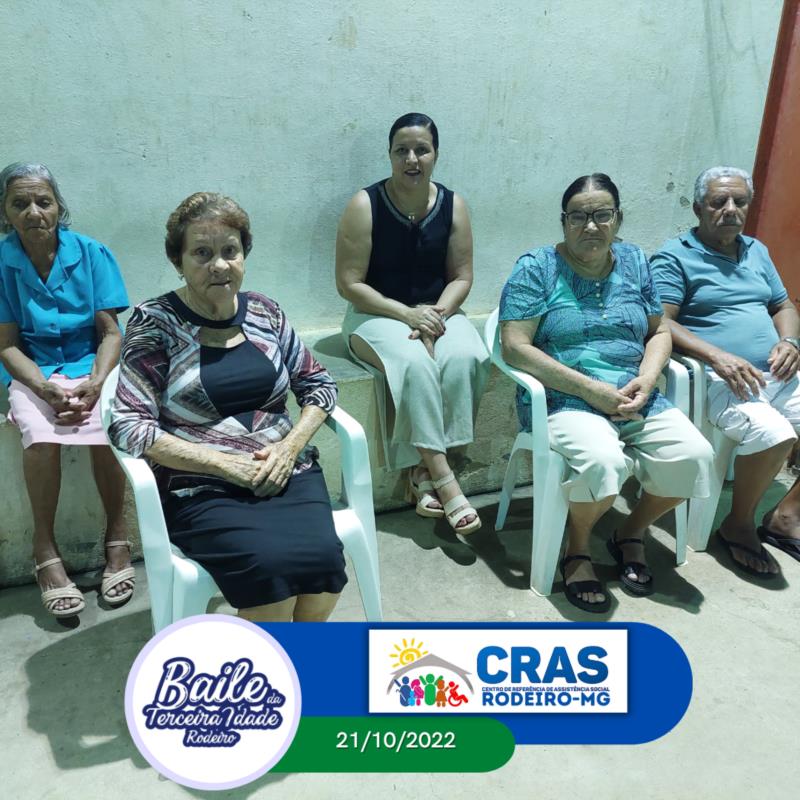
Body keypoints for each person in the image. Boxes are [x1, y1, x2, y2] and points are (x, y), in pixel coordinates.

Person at [108, 192, 347, 622]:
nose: (219, 265)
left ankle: (295, 658)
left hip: (285, 473)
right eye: (202, 253)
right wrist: (223, 464)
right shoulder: (155, 322)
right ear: (178, 261)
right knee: (270, 574)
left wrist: (289, 448)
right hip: (200, 487)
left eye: (229, 251)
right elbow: (128, 425)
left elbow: (319, 384)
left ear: (243, 255)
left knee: (325, 568)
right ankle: (259, 664)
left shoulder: (265, 312)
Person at [500, 173, 712, 612]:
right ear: (564, 221)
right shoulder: (536, 268)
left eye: (602, 215)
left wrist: (648, 378)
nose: (591, 226)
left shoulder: (634, 262)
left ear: (618, 219)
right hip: (564, 398)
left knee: (695, 456)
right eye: (578, 216)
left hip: (635, 395)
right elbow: (514, 347)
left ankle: (629, 531)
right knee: (604, 461)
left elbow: (659, 331)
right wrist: (590, 389)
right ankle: (576, 548)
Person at [335, 112, 489, 538]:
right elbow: (349, 284)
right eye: (401, 150)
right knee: (415, 363)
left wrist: (435, 314)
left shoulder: (454, 205)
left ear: (435, 154)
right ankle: (445, 479)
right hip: (374, 315)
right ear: (389, 155)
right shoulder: (364, 205)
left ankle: (421, 474)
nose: (411, 158)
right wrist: (406, 315)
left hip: (437, 310)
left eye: (422, 149)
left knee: (467, 355)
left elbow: (462, 277)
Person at [651, 166, 800, 578]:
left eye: (740, 201)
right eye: (719, 202)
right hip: (719, 377)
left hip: (777, 372)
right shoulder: (676, 256)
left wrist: (790, 342)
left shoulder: (756, 250)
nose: (731, 209)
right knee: (774, 434)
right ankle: (738, 524)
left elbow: (782, 305)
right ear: (699, 208)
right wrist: (717, 356)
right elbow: (660, 321)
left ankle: (785, 517)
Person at [0, 162, 131, 619]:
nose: (33, 212)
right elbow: (6, 345)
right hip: (33, 369)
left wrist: (96, 381)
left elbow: (110, 333)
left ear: (59, 207)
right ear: (5, 213)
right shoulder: (1, 263)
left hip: (92, 364)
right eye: (19, 203)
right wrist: (43, 387)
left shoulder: (92, 253)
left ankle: (117, 536)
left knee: (109, 428)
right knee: (38, 436)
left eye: (44, 201)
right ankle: (44, 549)